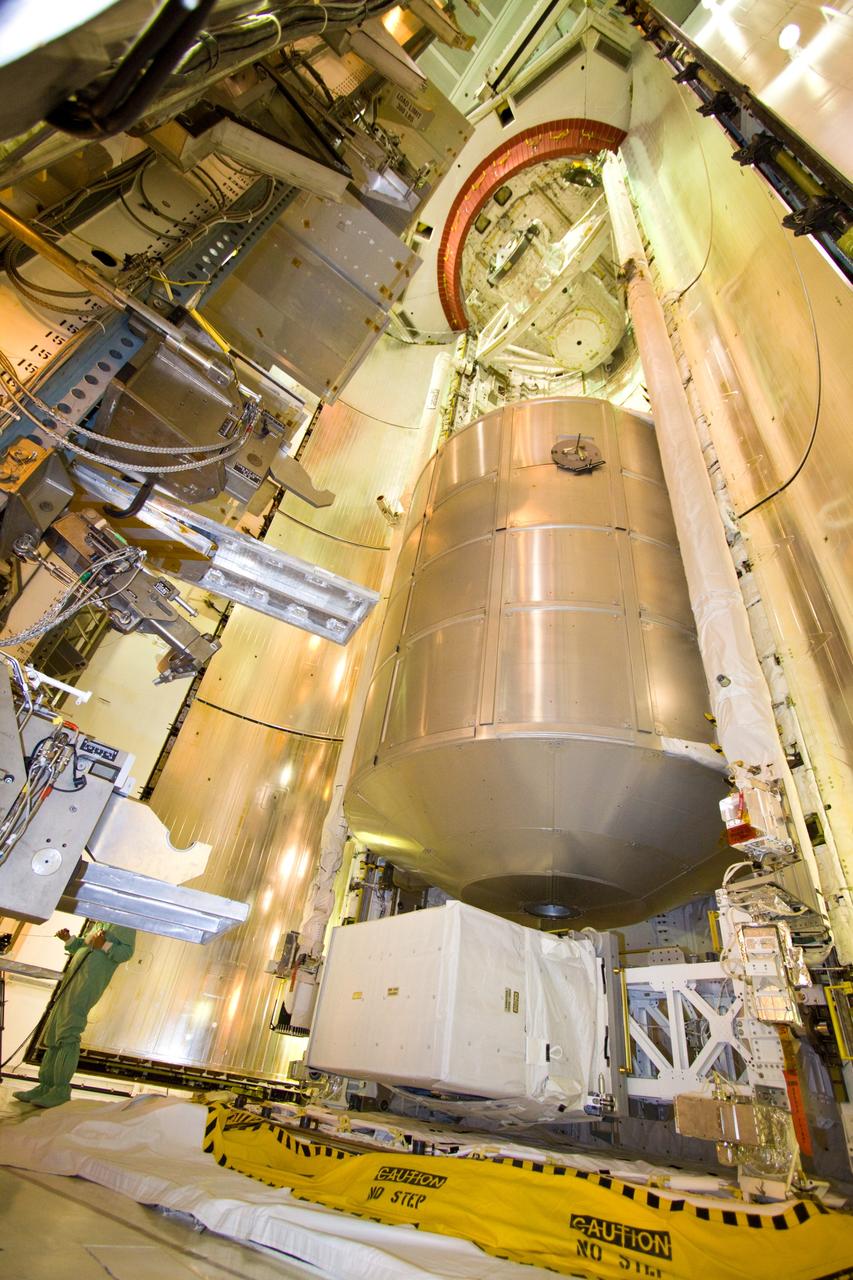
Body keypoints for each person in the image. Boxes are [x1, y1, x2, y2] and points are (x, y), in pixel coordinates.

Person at [13, 921, 135, 1108]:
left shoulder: (125, 924)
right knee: (55, 1032)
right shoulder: (99, 923)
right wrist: (68, 939)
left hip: (87, 983)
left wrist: (104, 945)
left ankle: (60, 1090)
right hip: (73, 979)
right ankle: (45, 1086)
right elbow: (83, 946)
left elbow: (125, 953)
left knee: (68, 1032)